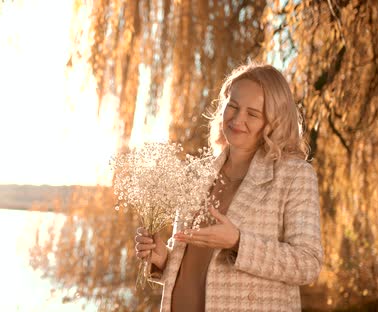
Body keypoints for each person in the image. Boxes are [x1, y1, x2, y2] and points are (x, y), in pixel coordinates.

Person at [134, 62, 323, 311]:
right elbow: (195, 265)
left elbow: (307, 264)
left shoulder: (294, 176)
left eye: (253, 114)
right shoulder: (196, 175)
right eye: (232, 106)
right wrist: (163, 259)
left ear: (274, 121)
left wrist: (238, 242)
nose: (237, 119)